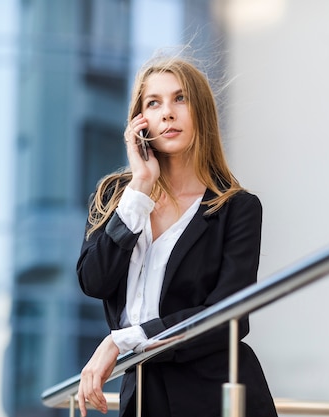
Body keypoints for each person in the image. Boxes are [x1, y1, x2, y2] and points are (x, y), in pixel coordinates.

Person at [75, 55, 277, 417]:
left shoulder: (238, 209)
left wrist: (122, 340)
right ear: (140, 122)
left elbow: (229, 317)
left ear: (200, 112)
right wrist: (139, 188)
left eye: (180, 99)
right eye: (154, 103)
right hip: (143, 397)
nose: (167, 113)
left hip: (219, 395)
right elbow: (95, 280)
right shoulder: (115, 198)